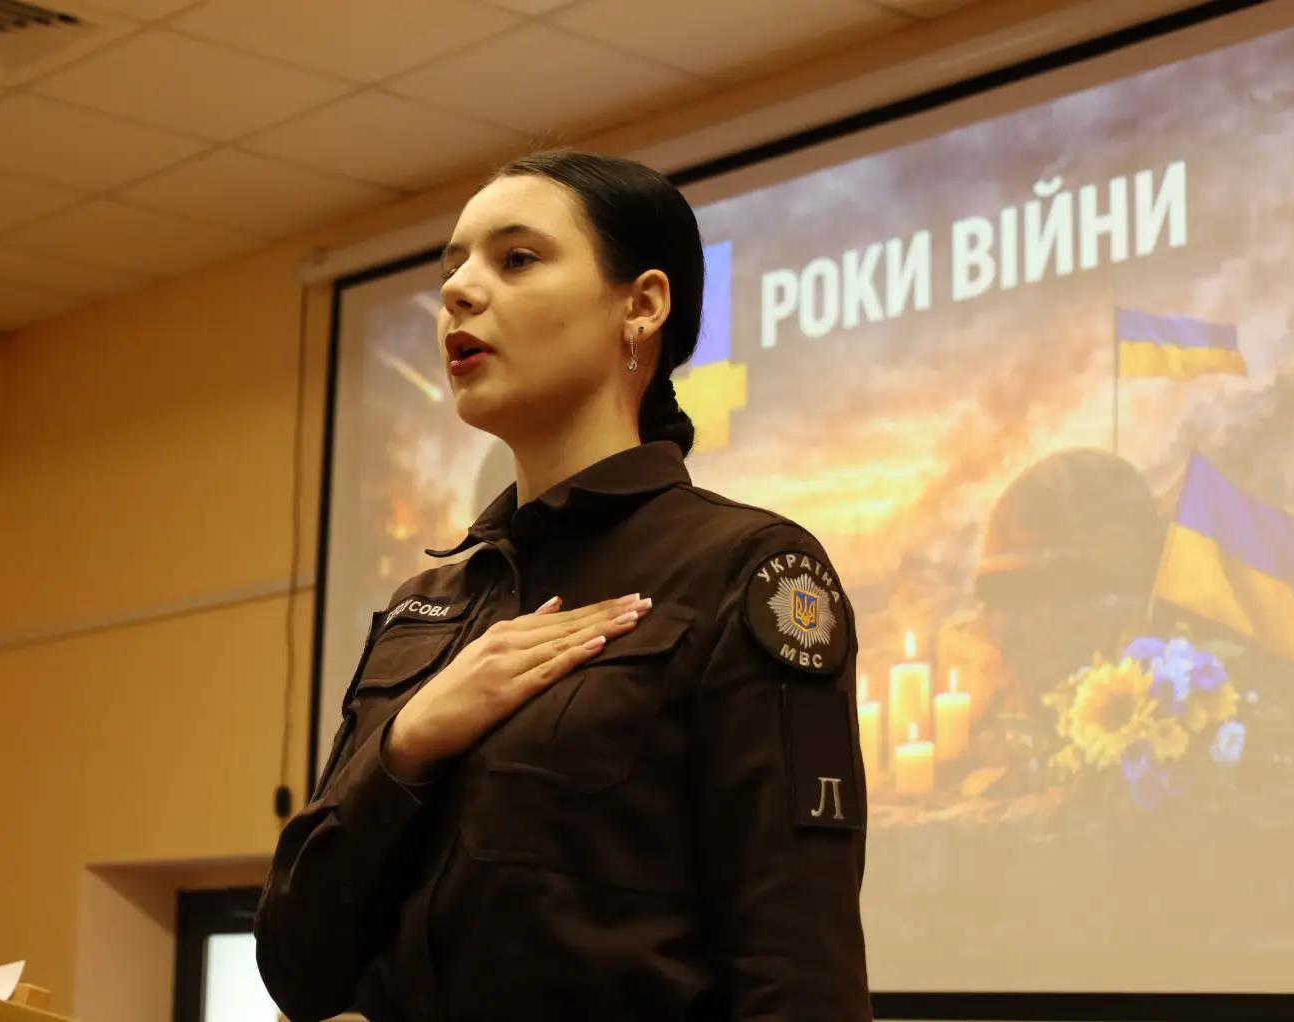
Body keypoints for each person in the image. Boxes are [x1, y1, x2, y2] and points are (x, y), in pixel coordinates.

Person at [256, 150, 870, 1021]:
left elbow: (798, 970)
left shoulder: (744, 569)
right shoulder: (429, 604)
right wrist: (407, 744)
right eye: (453, 267)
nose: (458, 291)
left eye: (516, 259)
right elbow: (297, 968)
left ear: (642, 305)